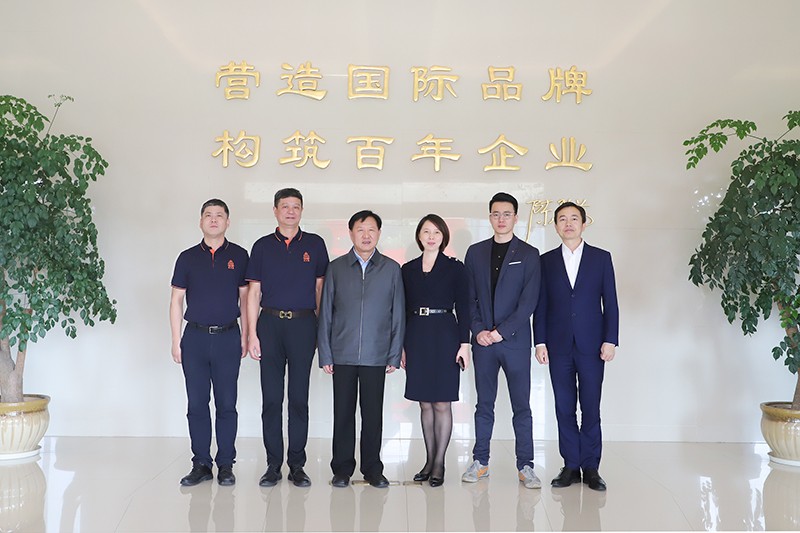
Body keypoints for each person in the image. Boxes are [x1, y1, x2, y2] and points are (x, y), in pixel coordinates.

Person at [245, 188, 329, 487]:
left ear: (302, 210)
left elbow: (320, 290)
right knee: (271, 399)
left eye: (296, 206)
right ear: (275, 211)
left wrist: (321, 331)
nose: (290, 211)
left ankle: (297, 464)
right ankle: (273, 464)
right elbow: (253, 293)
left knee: (298, 398)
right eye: (285, 206)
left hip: (303, 325)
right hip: (269, 325)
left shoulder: (315, 245)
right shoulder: (262, 246)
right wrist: (252, 334)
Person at [533, 202, 619, 492]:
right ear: (556, 226)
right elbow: (541, 305)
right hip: (558, 345)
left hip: (592, 345)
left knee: (591, 406)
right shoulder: (545, 261)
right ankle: (570, 465)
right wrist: (540, 341)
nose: (568, 223)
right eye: (562, 219)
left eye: (573, 218)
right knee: (564, 407)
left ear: (583, 224)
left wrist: (610, 339)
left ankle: (591, 467)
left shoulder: (601, 258)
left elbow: (611, 302)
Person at [317, 210, 405, 489]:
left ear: (379, 233)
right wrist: (325, 353)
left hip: (376, 354)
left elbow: (398, 314)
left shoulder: (391, 269)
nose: (366, 235)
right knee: (343, 414)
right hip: (342, 353)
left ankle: (372, 469)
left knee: (372, 415)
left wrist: (394, 354)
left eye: (371, 230)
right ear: (351, 233)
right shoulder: (336, 268)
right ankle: (342, 469)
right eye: (360, 230)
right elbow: (325, 313)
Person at [462, 192, 542, 489]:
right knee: (484, 404)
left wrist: (501, 332)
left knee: (522, 406)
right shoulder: (475, 252)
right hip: (483, 342)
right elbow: (468, 297)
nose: (501, 219)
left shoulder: (529, 254)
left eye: (507, 214)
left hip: (515, 342)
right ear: (489, 217)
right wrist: (478, 330)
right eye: (496, 214)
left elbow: (528, 302)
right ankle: (480, 461)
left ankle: (526, 465)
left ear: (515, 217)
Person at [169, 199, 249, 487]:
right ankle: (201, 463)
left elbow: (246, 299)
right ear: (200, 221)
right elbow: (176, 300)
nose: (213, 219)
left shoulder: (239, 256)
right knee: (197, 403)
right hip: (195, 339)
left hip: (228, 337)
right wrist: (176, 340)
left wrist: (246, 335)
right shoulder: (187, 258)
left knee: (227, 404)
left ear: (228, 222)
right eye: (208, 215)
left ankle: (226, 464)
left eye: (219, 215)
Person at [401, 214, 471, 487]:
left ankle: (440, 463)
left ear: (444, 237)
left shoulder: (455, 268)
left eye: (436, 232)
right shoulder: (407, 269)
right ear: (419, 236)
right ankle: (429, 461)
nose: (431, 237)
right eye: (426, 232)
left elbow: (464, 307)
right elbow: (402, 310)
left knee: (442, 402)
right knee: (424, 403)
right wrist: (401, 347)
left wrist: (464, 344)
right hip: (416, 335)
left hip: (445, 335)